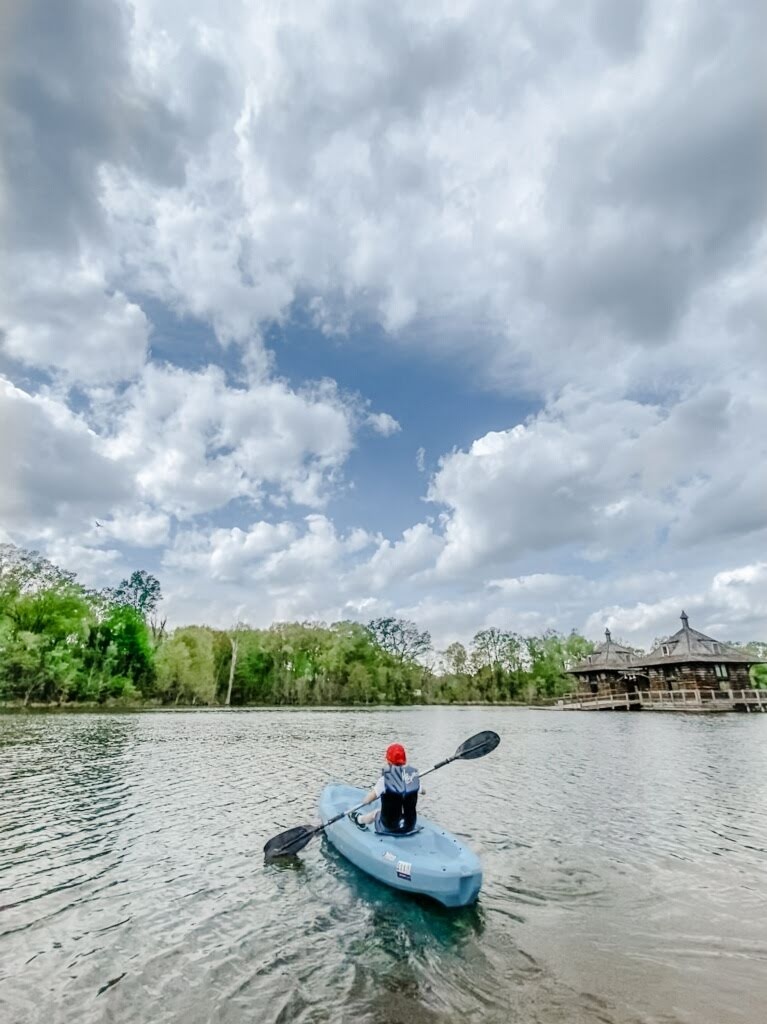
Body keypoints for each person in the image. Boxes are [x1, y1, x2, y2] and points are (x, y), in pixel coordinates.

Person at [348, 743, 422, 834]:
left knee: (376, 813)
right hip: (410, 825)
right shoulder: (412, 778)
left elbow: (368, 799)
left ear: (388, 761)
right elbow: (424, 791)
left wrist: (366, 801)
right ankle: (404, 824)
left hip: (390, 827)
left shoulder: (384, 780)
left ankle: (359, 820)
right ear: (405, 761)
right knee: (403, 810)